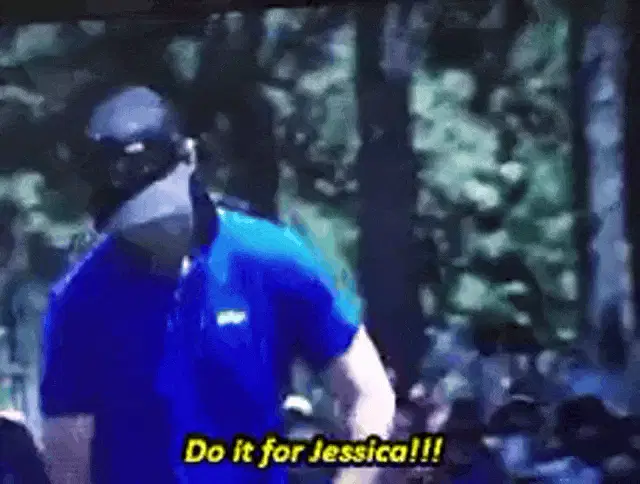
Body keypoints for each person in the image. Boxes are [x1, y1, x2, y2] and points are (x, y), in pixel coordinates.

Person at [40, 86, 395, 484]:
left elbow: (369, 393)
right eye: (134, 223)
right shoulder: (81, 303)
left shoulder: (270, 257)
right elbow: (68, 461)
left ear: (188, 158)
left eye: (157, 211)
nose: (151, 231)